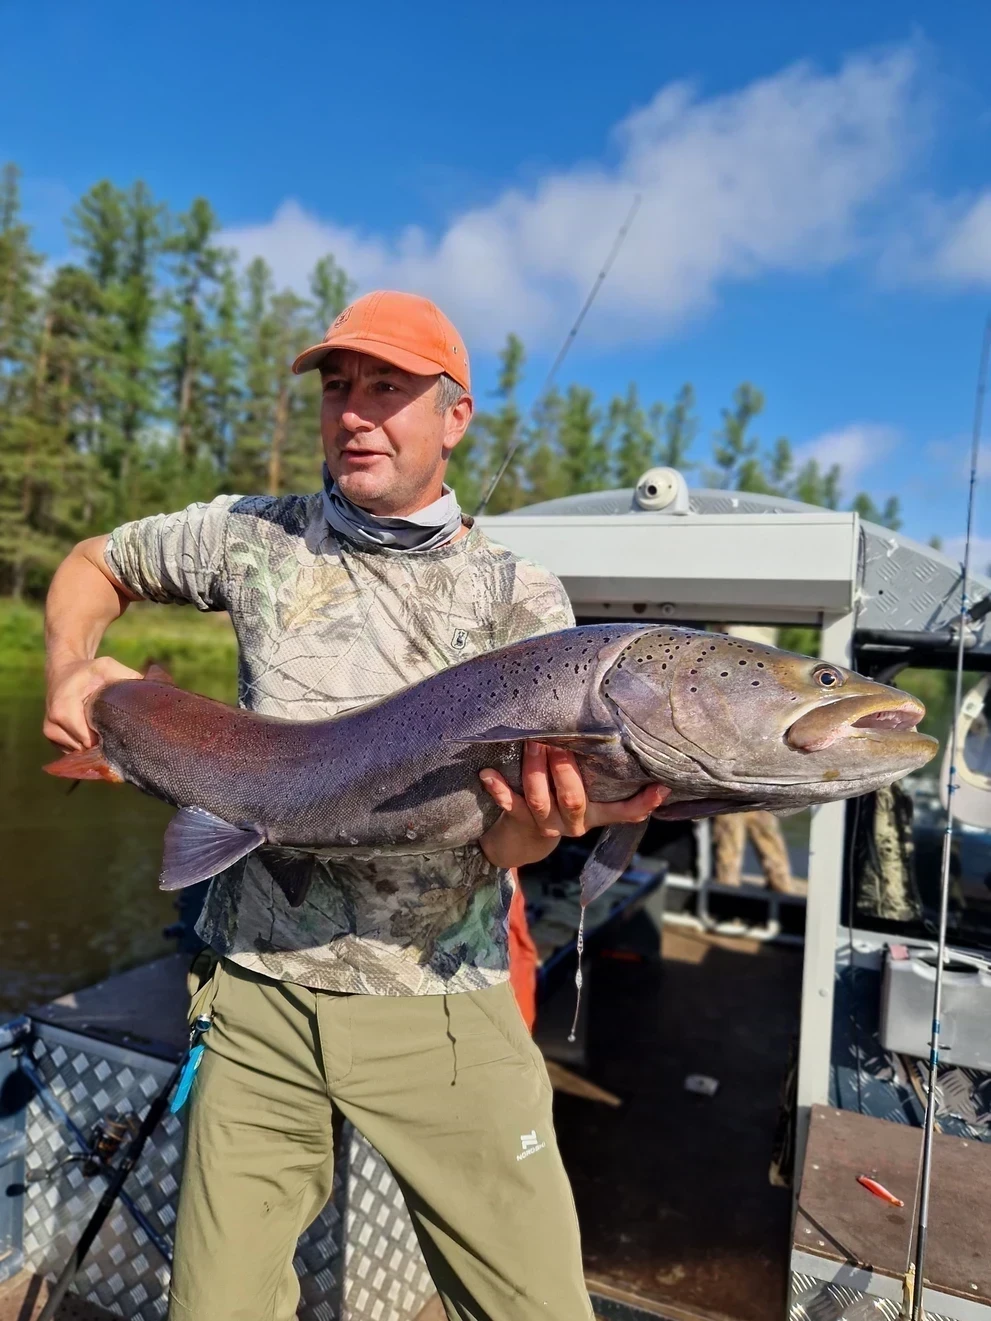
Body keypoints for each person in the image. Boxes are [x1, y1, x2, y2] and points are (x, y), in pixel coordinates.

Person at [43, 290, 667, 1321]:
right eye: (339, 387)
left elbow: (506, 846)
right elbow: (91, 566)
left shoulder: (520, 600)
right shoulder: (251, 536)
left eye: (388, 388)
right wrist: (70, 667)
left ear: (454, 416)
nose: (355, 413)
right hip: (255, 997)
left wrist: (542, 824)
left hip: (441, 1004)